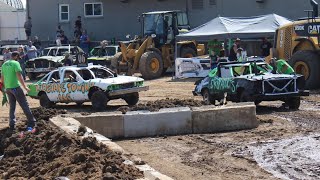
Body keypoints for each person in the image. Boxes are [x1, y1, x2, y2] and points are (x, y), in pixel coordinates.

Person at [1, 52, 36, 131]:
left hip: (8, 89)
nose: (18, 59)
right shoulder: (15, 63)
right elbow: (19, 76)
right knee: (24, 105)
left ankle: (12, 124)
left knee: (12, 107)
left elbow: (2, 78)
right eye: (18, 57)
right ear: (16, 56)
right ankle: (32, 122)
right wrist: (25, 87)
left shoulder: (4, 64)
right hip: (15, 88)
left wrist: (3, 89)